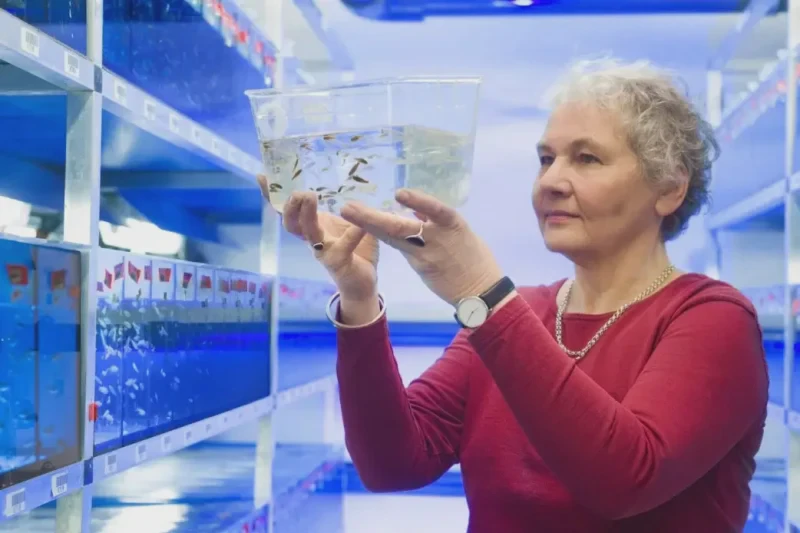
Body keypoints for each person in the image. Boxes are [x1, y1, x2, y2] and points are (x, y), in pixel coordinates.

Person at [257, 58, 767, 533]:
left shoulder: (712, 320)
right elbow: (392, 462)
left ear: (669, 189)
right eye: (546, 159)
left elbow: (622, 480)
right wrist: (358, 298)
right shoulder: (523, 314)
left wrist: (482, 293)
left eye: (586, 159)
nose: (550, 181)